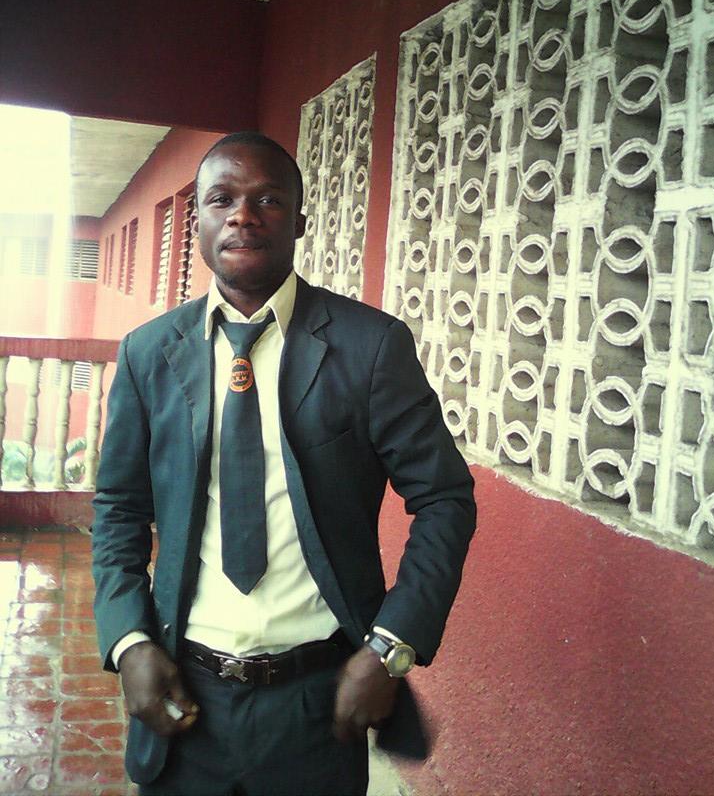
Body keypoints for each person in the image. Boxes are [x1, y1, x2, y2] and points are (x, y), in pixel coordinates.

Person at [92, 131, 476, 796]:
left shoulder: (369, 347)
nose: (243, 215)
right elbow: (119, 508)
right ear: (198, 222)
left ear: (299, 221)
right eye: (222, 199)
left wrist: (389, 648)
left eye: (267, 200)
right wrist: (128, 641)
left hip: (319, 704)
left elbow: (444, 497)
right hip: (182, 692)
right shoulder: (148, 353)